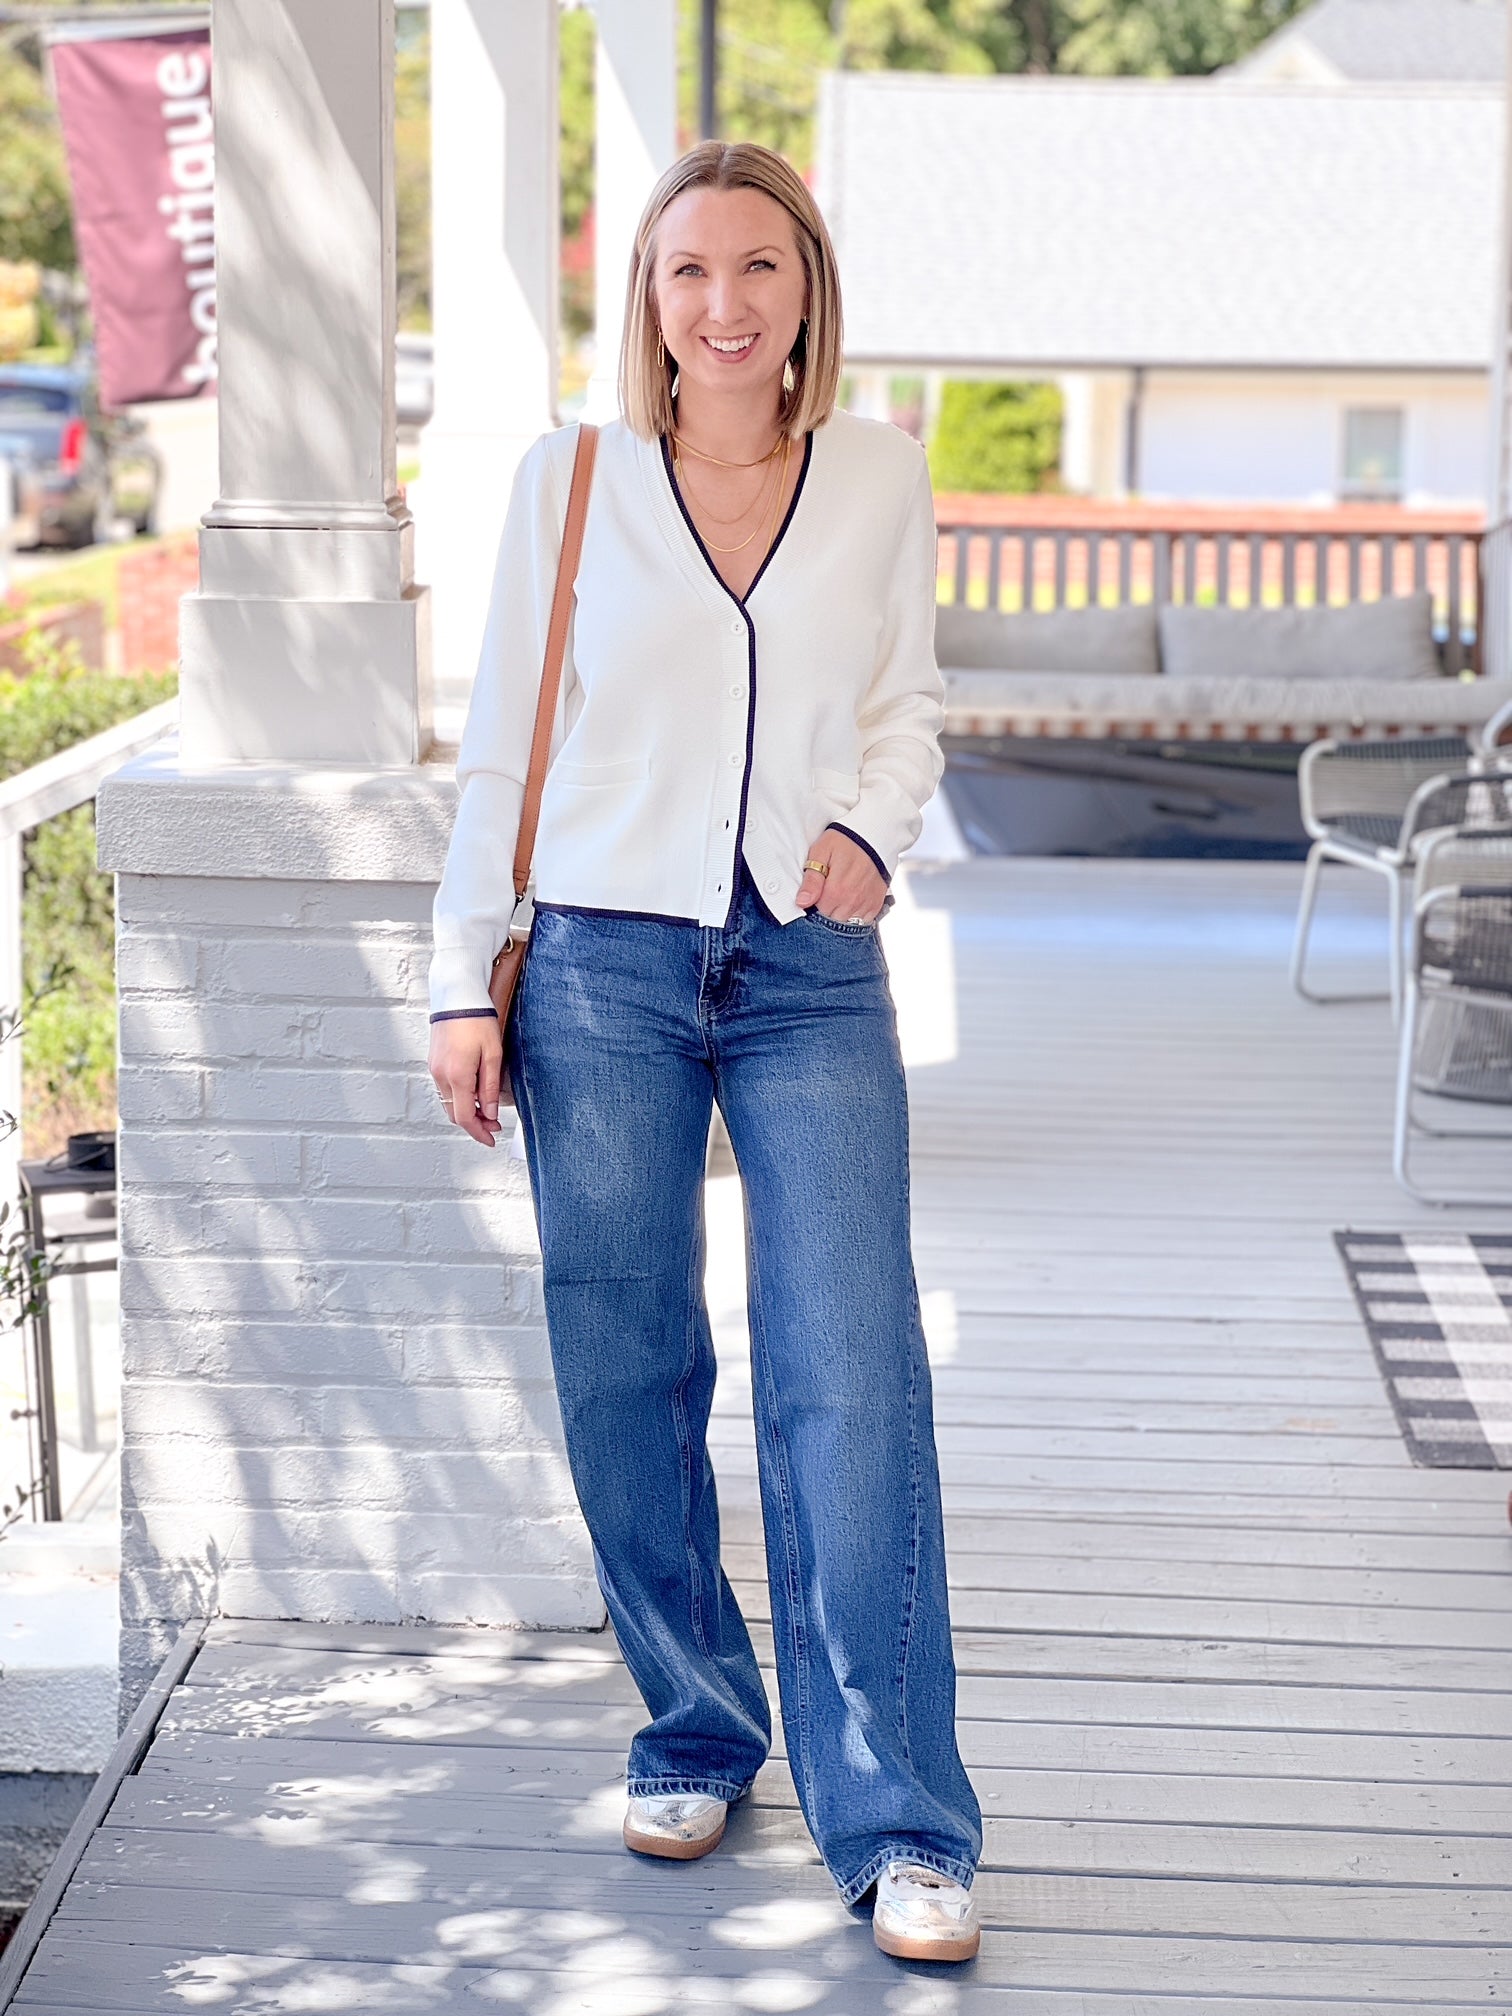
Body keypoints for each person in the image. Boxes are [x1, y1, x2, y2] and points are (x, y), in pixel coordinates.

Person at [427, 139, 983, 1966]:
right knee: (625, 1357)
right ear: (647, 302)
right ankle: (694, 1721)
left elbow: (906, 702)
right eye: (687, 273)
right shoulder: (571, 482)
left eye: (760, 268)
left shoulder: (882, 478)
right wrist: (461, 975)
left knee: (851, 1372)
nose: (725, 305)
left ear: (808, 290)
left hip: (812, 957)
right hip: (600, 962)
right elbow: (505, 739)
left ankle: (901, 1817)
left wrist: (877, 832)